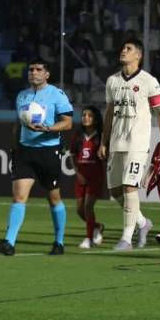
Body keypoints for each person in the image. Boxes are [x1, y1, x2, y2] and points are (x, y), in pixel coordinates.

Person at [101, 38, 160, 251]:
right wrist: (103, 141)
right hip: (116, 142)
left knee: (129, 186)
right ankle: (143, 223)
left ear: (138, 56)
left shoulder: (149, 81)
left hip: (137, 143)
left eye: (128, 49)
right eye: (123, 47)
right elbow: (109, 114)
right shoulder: (112, 81)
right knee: (115, 190)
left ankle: (126, 238)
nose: (123, 51)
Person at [0, 60, 74, 256]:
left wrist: (48, 128)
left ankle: (59, 242)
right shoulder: (22, 96)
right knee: (19, 196)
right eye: (31, 70)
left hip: (48, 151)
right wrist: (14, 147)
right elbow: (18, 124)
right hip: (25, 151)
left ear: (47, 74)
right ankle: (9, 243)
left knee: (54, 198)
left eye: (38, 70)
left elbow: (68, 123)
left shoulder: (57, 94)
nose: (34, 73)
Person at [68, 105, 106, 248]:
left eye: (89, 115)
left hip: (95, 176)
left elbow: (105, 155)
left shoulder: (101, 136)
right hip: (81, 177)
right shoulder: (78, 135)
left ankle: (88, 239)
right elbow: (72, 154)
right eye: (84, 115)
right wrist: (78, 173)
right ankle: (97, 227)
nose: (86, 118)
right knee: (79, 210)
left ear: (95, 119)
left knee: (88, 206)